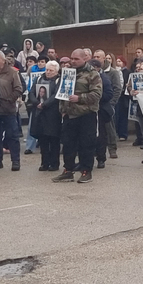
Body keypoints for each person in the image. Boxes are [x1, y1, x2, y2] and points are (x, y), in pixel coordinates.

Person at [51, 50, 102, 184]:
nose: (73, 61)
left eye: (76, 59)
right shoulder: (67, 73)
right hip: (69, 115)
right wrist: (62, 110)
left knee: (86, 144)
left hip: (86, 114)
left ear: (85, 58)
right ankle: (68, 170)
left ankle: (86, 171)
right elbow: (61, 93)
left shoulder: (92, 74)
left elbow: (96, 95)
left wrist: (79, 98)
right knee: (68, 144)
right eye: (72, 59)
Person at [0, 50, 23, 177]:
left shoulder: (12, 72)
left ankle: (15, 161)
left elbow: (19, 88)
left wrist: (10, 99)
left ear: (3, 60)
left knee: (12, 136)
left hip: (8, 109)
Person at [31, 61, 62, 172]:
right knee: (43, 140)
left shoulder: (59, 80)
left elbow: (56, 95)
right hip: (40, 114)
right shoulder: (39, 79)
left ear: (56, 71)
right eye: (47, 70)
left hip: (53, 114)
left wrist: (45, 104)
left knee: (54, 140)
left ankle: (54, 163)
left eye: (51, 70)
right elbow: (32, 92)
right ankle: (44, 163)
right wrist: (36, 103)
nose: (48, 72)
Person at [88, 59, 114, 170]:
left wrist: (94, 97)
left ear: (97, 68)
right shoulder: (87, 78)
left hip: (100, 110)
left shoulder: (104, 79)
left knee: (101, 136)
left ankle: (101, 158)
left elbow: (109, 94)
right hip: (88, 110)